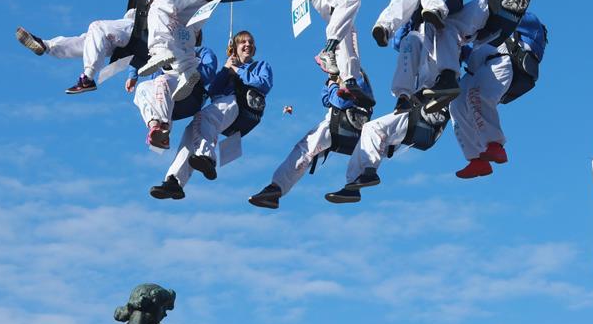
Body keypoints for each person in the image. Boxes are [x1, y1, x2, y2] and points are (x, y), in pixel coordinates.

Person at [15, 0, 170, 94]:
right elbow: (136, 54)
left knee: (98, 27)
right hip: (134, 39)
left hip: (142, 31)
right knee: (90, 40)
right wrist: (132, 76)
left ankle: (87, 77)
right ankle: (48, 46)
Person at [149, 31, 272, 199]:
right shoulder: (230, 66)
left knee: (204, 117)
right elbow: (213, 90)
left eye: (250, 42)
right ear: (235, 48)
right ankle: (175, 181)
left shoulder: (260, 65)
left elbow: (263, 83)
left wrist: (238, 70)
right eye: (243, 42)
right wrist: (227, 69)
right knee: (191, 130)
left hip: (238, 102)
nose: (247, 45)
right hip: (221, 103)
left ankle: (207, 157)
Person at [248, 72, 374, 210]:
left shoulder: (355, 75)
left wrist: (332, 85)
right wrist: (330, 81)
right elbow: (326, 101)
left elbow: (341, 102)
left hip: (340, 124)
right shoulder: (343, 75)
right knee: (306, 153)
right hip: (341, 125)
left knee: (305, 149)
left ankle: (275, 189)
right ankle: (276, 191)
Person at [451, 11, 546, 178]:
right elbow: (471, 54)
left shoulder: (525, 20)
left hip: (500, 61)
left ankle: (495, 145)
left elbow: (507, 13)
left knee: (477, 96)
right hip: (478, 68)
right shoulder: (484, 36)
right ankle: (476, 160)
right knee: (455, 103)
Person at [324, 103, 451, 204]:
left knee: (372, 128)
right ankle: (352, 187)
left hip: (420, 115)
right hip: (415, 115)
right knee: (365, 143)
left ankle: (369, 172)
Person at [131, 37, 218, 150]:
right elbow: (138, 57)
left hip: (191, 93)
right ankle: (155, 127)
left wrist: (187, 69)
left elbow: (209, 73)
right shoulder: (164, 51)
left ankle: (165, 126)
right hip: (168, 101)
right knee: (142, 87)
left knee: (162, 80)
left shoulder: (202, 52)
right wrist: (132, 75)